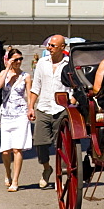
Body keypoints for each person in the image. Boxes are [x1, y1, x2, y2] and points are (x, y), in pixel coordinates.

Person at [27, 34, 73, 188]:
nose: (49, 48)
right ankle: (47, 168)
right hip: (44, 108)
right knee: (40, 142)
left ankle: (63, 174)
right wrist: (30, 107)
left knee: (62, 145)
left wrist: (71, 102)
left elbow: (74, 87)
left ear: (62, 47)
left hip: (62, 109)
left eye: (53, 46)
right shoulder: (42, 63)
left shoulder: (69, 63)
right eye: (49, 45)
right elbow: (36, 87)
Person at [0, 49, 32, 191]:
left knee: (17, 149)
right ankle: (8, 172)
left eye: (20, 59)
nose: (18, 62)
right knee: (5, 151)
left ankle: (16, 180)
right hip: (6, 114)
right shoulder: (4, 74)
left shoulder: (26, 76)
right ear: (9, 60)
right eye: (15, 59)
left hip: (20, 114)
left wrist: (31, 108)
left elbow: (29, 94)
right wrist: (7, 68)